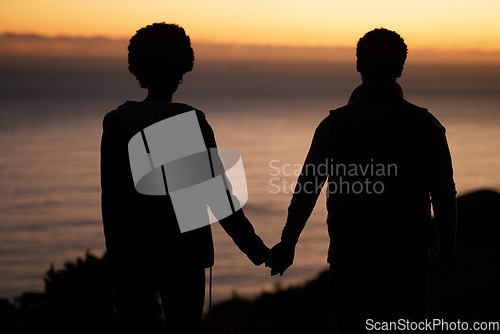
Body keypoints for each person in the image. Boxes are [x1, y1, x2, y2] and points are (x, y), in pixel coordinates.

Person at [268, 28, 457, 333]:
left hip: (350, 261)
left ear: (358, 65)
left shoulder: (334, 125)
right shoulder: (425, 125)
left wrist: (289, 242)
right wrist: (446, 251)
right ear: (400, 68)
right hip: (407, 261)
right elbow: (444, 194)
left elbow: (308, 188)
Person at [100, 22, 270, 334]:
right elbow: (219, 197)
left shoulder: (115, 124)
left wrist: (115, 258)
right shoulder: (188, 122)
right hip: (183, 257)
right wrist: (257, 250)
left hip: (131, 256)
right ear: (182, 68)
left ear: (136, 68)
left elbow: (111, 200)